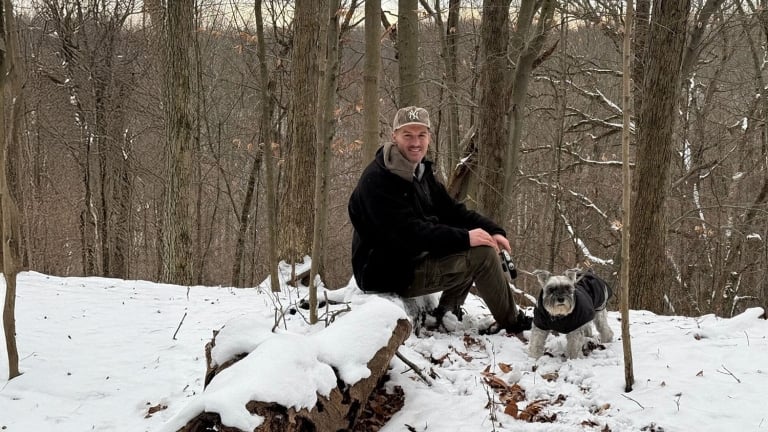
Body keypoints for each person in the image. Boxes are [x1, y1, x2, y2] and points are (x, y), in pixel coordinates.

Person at [348, 106, 532, 334]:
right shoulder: (378, 180)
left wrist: (492, 230)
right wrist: (466, 238)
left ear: (429, 138)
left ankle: (447, 313)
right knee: (481, 254)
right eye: (408, 135)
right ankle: (513, 323)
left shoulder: (420, 172)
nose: (416, 142)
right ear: (394, 137)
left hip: (411, 260)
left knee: (479, 242)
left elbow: (452, 211)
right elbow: (408, 235)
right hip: (386, 273)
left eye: (421, 135)